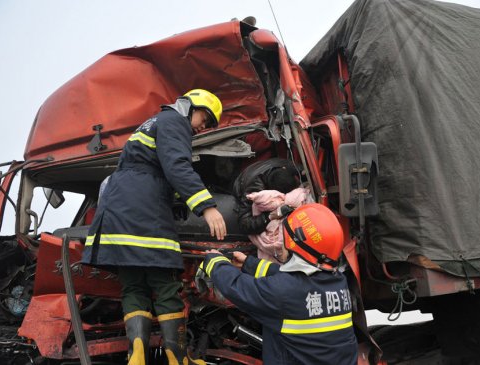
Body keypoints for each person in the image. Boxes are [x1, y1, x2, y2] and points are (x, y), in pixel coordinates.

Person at [82, 89, 226, 365]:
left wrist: (176, 200)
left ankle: (136, 357)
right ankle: (178, 358)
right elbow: (177, 166)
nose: (203, 128)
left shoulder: (153, 122)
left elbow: (149, 171)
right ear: (190, 107)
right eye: (205, 119)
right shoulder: (174, 122)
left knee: (134, 285)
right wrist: (207, 207)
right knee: (166, 284)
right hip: (142, 212)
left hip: (118, 210)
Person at [202, 203, 358, 365]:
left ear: (295, 245)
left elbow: (237, 286)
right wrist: (249, 264)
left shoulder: (283, 292)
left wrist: (215, 263)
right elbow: (292, 282)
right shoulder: (338, 281)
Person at [232, 158, 300, 235]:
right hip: (241, 184)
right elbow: (244, 224)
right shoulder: (252, 191)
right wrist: (270, 216)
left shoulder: (285, 165)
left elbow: (303, 169)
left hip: (260, 168)